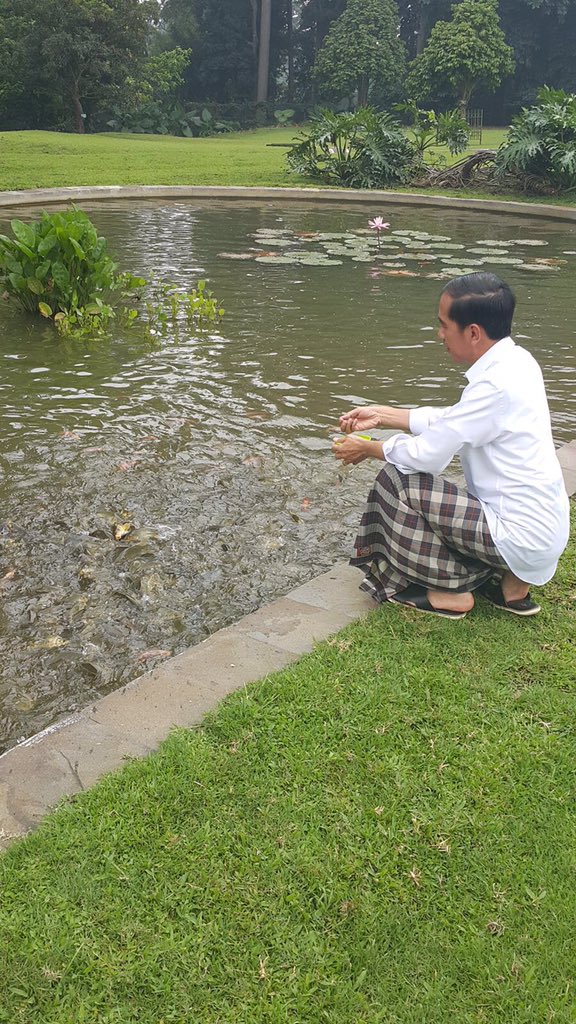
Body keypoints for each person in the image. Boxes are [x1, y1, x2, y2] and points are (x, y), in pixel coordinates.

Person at [332, 272, 570, 620]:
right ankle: (513, 588)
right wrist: (382, 415)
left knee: (397, 480)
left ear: (473, 332)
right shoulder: (518, 362)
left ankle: (450, 590)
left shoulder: (494, 386)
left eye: (444, 325)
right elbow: (456, 419)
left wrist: (369, 448)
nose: (440, 334)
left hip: (518, 536)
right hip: (543, 531)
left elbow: (427, 455)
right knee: (438, 482)